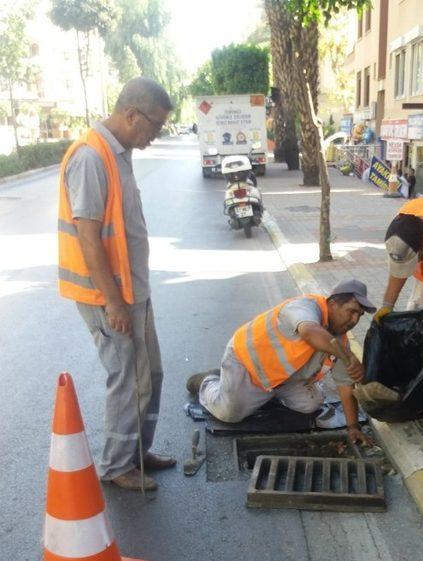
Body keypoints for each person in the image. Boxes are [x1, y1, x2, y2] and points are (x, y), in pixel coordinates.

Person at [58, 77, 175, 492]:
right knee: (126, 378)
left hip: (132, 293)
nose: (156, 134)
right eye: (155, 126)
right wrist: (113, 302)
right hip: (109, 298)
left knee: (151, 375)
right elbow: (89, 238)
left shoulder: (118, 153)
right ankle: (115, 464)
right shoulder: (92, 158)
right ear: (131, 115)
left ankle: (137, 453)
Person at [187, 280, 376, 445]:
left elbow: (345, 385)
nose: (354, 320)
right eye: (351, 311)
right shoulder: (305, 306)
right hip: (247, 365)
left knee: (312, 404)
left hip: (282, 379)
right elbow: (309, 331)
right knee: (230, 414)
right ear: (333, 304)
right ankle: (208, 381)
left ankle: (266, 395)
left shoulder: (340, 341)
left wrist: (353, 426)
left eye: (359, 315)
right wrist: (350, 357)